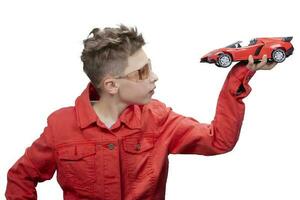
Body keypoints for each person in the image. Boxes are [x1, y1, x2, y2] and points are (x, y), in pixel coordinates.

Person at [5, 24, 277, 200]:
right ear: (111, 85)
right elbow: (21, 177)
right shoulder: (60, 126)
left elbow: (218, 140)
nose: (154, 77)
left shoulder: (158, 119)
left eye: (150, 66)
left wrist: (239, 76)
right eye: (142, 72)